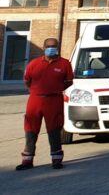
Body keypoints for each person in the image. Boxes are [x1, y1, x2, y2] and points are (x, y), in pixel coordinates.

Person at [17, 38, 73, 171]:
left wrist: (56, 88)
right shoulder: (34, 63)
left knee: (54, 129)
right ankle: (27, 160)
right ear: (43, 47)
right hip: (35, 99)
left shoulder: (64, 64)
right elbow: (27, 81)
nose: (51, 48)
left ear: (58, 47)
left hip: (54, 99)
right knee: (31, 129)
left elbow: (69, 81)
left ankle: (56, 159)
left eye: (54, 46)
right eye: (48, 46)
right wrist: (38, 90)